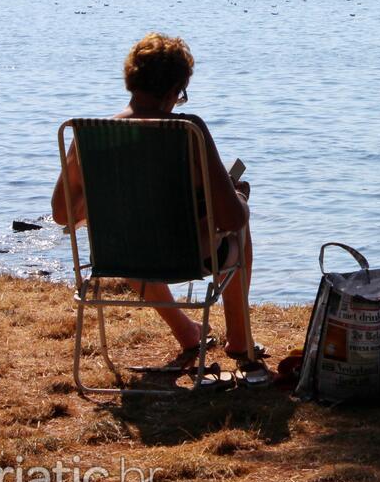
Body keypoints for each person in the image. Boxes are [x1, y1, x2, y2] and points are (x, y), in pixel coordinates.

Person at [52, 32, 268, 384]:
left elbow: (62, 214)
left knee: (131, 226)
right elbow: (229, 217)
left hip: (120, 257)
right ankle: (240, 341)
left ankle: (186, 332)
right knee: (239, 227)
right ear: (173, 90)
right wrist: (238, 196)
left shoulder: (92, 134)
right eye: (181, 93)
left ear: (131, 81)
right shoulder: (187, 130)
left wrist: (102, 198)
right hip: (186, 257)